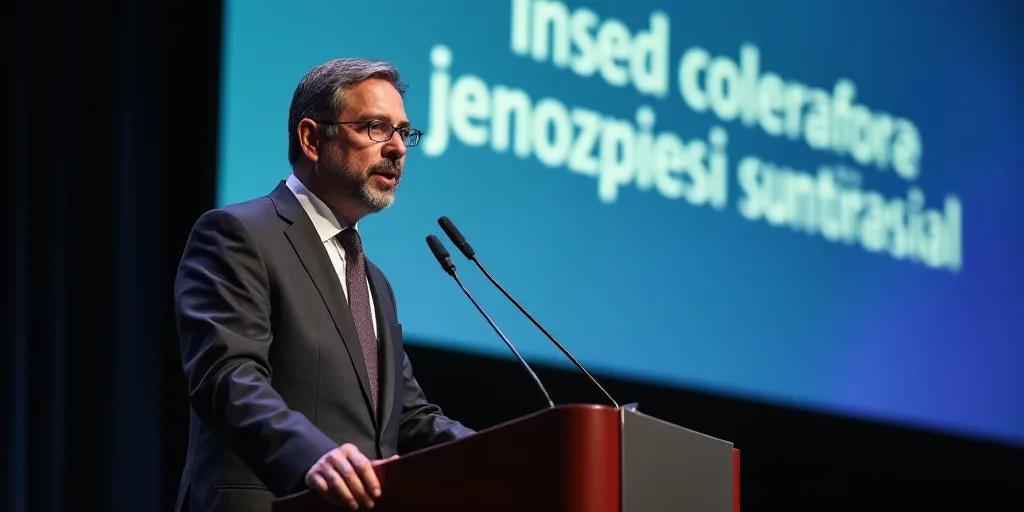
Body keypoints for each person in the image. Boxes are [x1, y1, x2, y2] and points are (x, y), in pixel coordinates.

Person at [173, 58, 475, 512]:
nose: (397, 148)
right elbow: (226, 376)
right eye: (376, 127)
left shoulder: (376, 283)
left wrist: (520, 450)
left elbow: (408, 419)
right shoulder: (239, 234)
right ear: (312, 138)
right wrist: (312, 456)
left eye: (404, 132)